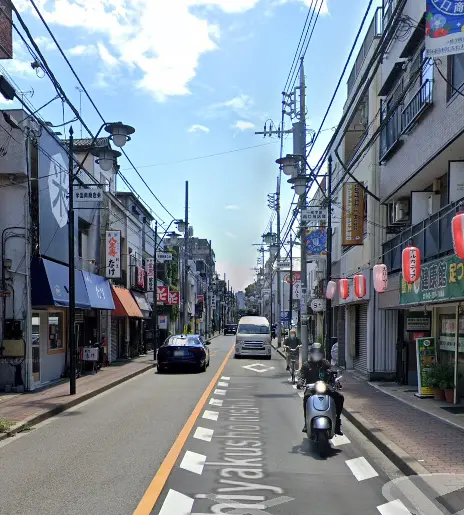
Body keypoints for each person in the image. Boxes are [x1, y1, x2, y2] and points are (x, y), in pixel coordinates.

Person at [297, 342, 344, 435]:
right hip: (311, 388)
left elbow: (332, 373)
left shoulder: (325, 363)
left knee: (339, 397)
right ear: (311, 353)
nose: (317, 354)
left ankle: (337, 422)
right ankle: (306, 423)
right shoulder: (307, 365)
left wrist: (336, 381)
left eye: (319, 353)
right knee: (306, 398)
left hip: (325, 387)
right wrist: (300, 382)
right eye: (315, 352)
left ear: (322, 354)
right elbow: (302, 376)